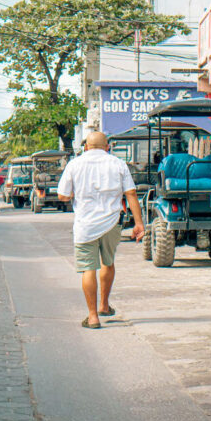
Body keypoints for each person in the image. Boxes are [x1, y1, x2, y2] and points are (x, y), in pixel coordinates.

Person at [57, 131, 144, 329]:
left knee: (89, 268)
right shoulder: (118, 164)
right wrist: (139, 223)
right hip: (112, 222)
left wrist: (75, 193)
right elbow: (130, 193)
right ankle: (104, 305)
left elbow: (62, 196)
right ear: (107, 147)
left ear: (86, 147)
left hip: (85, 226)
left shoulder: (74, 164)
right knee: (108, 262)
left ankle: (93, 316)